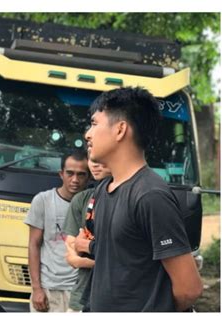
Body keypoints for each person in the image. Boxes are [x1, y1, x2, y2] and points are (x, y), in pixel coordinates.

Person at [76, 87, 202, 311]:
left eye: (95, 124)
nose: (88, 134)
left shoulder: (151, 196)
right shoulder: (104, 189)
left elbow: (189, 289)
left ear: (120, 130)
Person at [24, 150, 89, 312]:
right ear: (61, 174)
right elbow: (33, 245)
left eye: (81, 175)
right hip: (48, 289)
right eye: (70, 173)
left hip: (80, 291)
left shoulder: (93, 204)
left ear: (89, 177)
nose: (75, 180)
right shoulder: (43, 200)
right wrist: (37, 288)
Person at [63, 159, 111, 312]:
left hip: (118, 297)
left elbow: (129, 258)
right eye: (91, 158)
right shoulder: (82, 199)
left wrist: (86, 247)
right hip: (82, 297)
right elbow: (73, 257)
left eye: (101, 158)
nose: (95, 163)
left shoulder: (134, 196)